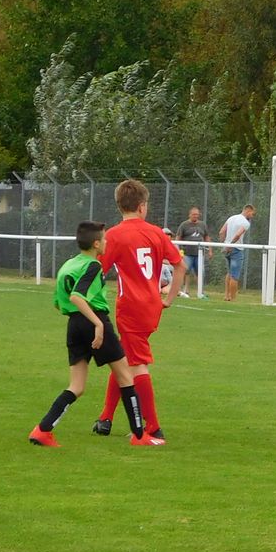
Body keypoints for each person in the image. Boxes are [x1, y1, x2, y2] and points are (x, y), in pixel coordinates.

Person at [28, 221, 152, 447]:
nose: (106, 242)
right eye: (104, 239)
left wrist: (80, 320)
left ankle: (42, 430)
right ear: (96, 244)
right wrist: (98, 324)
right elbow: (77, 296)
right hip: (94, 319)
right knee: (126, 376)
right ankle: (140, 436)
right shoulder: (93, 265)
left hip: (74, 324)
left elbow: (59, 302)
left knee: (76, 386)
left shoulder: (69, 265)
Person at [92, 179, 186, 443]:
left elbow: (97, 271)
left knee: (137, 363)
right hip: (152, 306)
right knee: (123, 357)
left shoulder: (114, 235)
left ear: (119, 205)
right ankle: (105, 418)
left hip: (130, 307)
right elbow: (180, 266)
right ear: (142, 206)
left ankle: (153, 427)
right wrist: (169, 299)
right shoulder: (157, 232)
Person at [219, 204, 255, 302]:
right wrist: (231, 245)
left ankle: (226, 296)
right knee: (234, 276)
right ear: (248, 210)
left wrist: (223, 244)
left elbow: (221, 232)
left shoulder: (231, 218)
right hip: (236, 249)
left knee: (230, 272)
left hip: (226, 248)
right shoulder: (245, 222)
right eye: (252, 214)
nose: (252, 216)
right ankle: (233, 299)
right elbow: (238, 235)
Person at [175, 206, 209, 298]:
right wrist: (178, 250)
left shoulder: (202, 225)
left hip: (199, 254)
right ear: (189, 215)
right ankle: (185, 290)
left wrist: (209, 249)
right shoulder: (184, 225)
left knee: (200, 272)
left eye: (197, 214)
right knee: (186, 271)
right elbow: (178, 237)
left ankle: (201, 292)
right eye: (194, 214)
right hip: (187, 253)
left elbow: (206, 236)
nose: (196, 216)